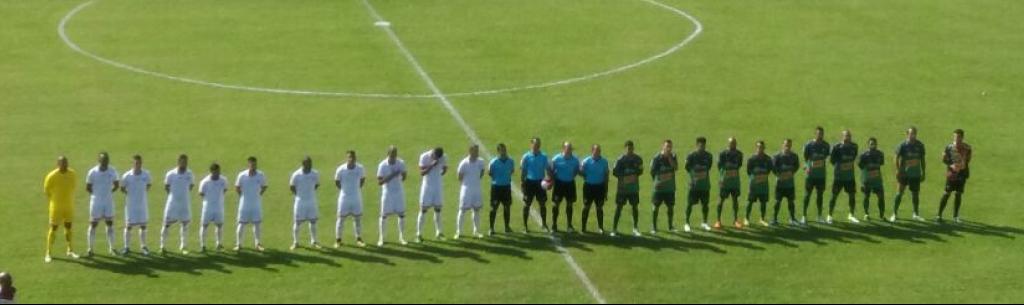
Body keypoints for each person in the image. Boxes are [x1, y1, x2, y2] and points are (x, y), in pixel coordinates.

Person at [44, 156, 79, 263]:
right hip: (56, 206)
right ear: (58, 164)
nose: (65, 165)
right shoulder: (52, 176)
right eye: (63, 163)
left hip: (68, 205)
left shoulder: (72, 174)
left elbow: (73, 186)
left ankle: (70, 250)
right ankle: (48, 253)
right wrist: (54, 200)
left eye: (66, 163)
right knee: (54, 228)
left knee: (68, 226)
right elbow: (46, 190)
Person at [85, 152, 118, 257]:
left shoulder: (112, 171)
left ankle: (111, 248)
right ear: (99, 160)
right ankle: (90, 248)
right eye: (103, 160)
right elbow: (88, 187)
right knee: (93, 224)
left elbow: (116, 184)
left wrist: (108, 193)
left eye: (107, 160)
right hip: (96, 202)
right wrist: (97, 194)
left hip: (108, 201)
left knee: (110, 224)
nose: (105, 162)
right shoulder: (92, 172)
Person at [161, 154, 194, 254]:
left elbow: (191, 186)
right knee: (166, 224)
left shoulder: (189, 174)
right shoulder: (171, 174)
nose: (184, 164)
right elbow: (166, 186)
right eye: (183, 161)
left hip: (184, 203)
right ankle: (162, 245)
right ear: (178, 162)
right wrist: (174, 196)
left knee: (185, 224)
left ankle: (183, 246)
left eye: (186, 162)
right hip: (172, 203)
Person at [937, 129, 972, 223]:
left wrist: (962, 166)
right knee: (946, 193)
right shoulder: (949, 147)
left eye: (958, 137)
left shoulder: (967, 148)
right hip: (951, 174)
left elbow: (968, 160)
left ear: (962, 137)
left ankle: (955, 216)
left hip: (962, 174)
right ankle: (939, 215)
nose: (956, 139)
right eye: (955, 137)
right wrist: (951, 165)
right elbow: (944, 159)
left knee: (958, 194)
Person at [892, 127, 926, 222]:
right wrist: (898, 170)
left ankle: (915, 214)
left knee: (915, 194)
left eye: (914, 134)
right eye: (911, 134)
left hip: (915, 174)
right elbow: (895, 158)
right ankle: (894, 213)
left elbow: (922, 159)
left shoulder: (920, 145)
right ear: (907, 134)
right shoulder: (902, 145)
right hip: (904, 174)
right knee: (899, 193)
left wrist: (923, 172)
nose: (913, 136)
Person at [234, 156, 268, 252]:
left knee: (257, 224)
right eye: (251, 164)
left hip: (256, 204)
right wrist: (243, 196)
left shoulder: (260, 175)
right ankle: (239, 244)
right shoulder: (242, 175)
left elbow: (264, 186)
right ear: (248, 164)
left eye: (255, 164)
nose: (253, 166)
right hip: (244, 203)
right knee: (241, 224)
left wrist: (258, 195)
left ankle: (257, 244)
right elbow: (237, 187)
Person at [121, 155, 152, 256]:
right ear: (133, 164)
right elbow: (122, 187)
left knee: (143, 226)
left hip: (142, 204)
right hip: (131, 205)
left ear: (141, 163)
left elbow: (148, 185)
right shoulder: (127, 176)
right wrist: (130, 195)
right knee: (129, 226)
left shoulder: (146, 174)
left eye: (139, 163)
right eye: (135, 163)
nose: (137, 165)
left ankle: (143, 246)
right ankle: (126, 247)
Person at [377, 146, 409, 247]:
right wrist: (392, 175)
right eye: (392, 155)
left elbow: (404, 176)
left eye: (395, 155)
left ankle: (402, 237)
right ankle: (382, 238)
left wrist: (401, 176)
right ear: (388, 154)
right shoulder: (382, 165)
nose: (394, 157)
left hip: (399, 192)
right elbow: (380, 182)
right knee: (384, 216)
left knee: (401, 215)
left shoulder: (401, 163)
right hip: (387, 193)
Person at [611, 140, 643, 237]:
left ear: (633, 148)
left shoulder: (638, 159)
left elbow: (640, 171)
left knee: (635, 207)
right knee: (619, 208)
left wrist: (634, 175)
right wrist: (625, 177)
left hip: (633, 188)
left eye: (631, 148)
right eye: (628, 148)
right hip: (622, 189)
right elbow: (615, 172)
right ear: (625, 149)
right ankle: (614, 229)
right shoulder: (620, 160)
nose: (630, 150)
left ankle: (635, 228)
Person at [335, 151, 367, 247]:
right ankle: (338, 240)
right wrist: (345, 190)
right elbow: (337, 182)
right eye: (349, 157)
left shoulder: (360, 168)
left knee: (357, 219)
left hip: (356, 197)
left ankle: (359, 238)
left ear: (355, 158)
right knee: (341, 219)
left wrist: (356, 189)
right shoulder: (341, 169)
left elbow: (362, 180)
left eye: (353, 157)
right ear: (347, 158)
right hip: (344, 198)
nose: (351, 159)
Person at [827, 130, 860, 224]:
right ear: (842, 137)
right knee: (834, 195)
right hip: (839, 177)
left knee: (852, 195)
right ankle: (829, 215)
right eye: (846, 136)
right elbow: (832, 161)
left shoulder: (854, 146)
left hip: (850, 177)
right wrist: (840, 167)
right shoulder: (837, 147)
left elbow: (854, 157)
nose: (847, 137)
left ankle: (851, 215)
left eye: (849, 136)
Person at [289, 156, 321, 250]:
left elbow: (316, 185)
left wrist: (309, 193)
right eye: (308, 163)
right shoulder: (296, 174)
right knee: (298, 222)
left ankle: (314, 241)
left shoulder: (315, 173)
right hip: (300, 202)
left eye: (311, 163)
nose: (310, 165)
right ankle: (295, 242)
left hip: (311, 201)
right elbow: (292, 186)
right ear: (303, 164)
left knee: (313, 221)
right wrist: (299, 195)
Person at [456, 144, 486, 239]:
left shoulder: (481, 162)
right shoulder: (464, 163)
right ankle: (459, 232)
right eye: (475, 151)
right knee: (463, 210)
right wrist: (467, 184)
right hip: (466, 189)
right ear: (470, 151)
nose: (477, 153)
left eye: (478, 151)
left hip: (477, 188)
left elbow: (482, 172)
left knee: (476, 210)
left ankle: (476, 231)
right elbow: (459, 177)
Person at [417, 147, 447, 243]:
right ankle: (419, 234)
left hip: (438, 187)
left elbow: (445, 168)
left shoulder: (443, 157)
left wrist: (439, 175)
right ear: (433, 152)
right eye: (436, 156)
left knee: (438, 209)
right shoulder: (424, 156)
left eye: (439, 158)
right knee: (423, 210)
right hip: (427, 187)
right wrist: (431, 165)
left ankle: (439, 232)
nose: (437, 159)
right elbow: (422, 172)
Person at [684, 137, 714, 232]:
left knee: (705, 204)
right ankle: (687, 223)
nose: (702, 147)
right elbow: (687, 168)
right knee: (690, 204)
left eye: (704, 145)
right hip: (694, 185)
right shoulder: (691, 156)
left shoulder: (709, 156)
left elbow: (708, 167)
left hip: (704, 185)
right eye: (700, 145)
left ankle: (704, 222)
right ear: (697, 145)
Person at [520, 137, 550, 233]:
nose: (537, 146)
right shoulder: (526, 157)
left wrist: (549, 181)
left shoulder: (544, 156)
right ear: (531, 144)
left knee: (542, 204)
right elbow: (523, 171)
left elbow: (548, 170)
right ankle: (525, 226)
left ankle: (544, 224)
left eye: (538, 144)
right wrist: (522, 183)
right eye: (535, 144)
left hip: (540, 183)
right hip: (529, 183)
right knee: (527, 204)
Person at [550, 142, 581, 233]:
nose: (569, 150)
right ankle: (554, 225)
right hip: (559, 184)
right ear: (563, 149)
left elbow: (576, 171)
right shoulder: (556, 159)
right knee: (556, 205)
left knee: (570, 204)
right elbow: (551, 170)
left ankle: (569, 225)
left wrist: (571, 176)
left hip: (570, 184)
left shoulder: (575, 160)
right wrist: (550, 180)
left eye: (571, 148)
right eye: (568, 148)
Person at [803, 127, 831, 224]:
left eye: (821, 133)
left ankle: (819, 216)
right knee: (807, 195)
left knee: (820, 195)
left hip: (821, 175)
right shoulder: (809, 145)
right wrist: (806, 167)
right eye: (818, 133)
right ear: (815, 134)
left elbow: (828, 157)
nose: (820, 135)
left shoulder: (826, 145)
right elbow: (806, 158)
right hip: (810, 176)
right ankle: (804, 216)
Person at [198, 162, 228, 252]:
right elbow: (201, 193)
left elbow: (225, 189)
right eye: (216, 172)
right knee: (204, 225)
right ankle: (203, 245)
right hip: (208, 207)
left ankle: (218, 243)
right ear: (211, 171)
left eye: (219, 171)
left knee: (219, 225)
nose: (218, 173)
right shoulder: (205, 182)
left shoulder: (223, 180)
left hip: (219, 207)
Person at [580, 144, 610, 234]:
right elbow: (580, 170)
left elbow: (606, 176)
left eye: (599, 150)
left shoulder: (604, 162)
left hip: (600, 187)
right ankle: (583, 227)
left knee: (599, 207)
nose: (598, 152)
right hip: (589, 187)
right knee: (586, 207)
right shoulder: (586, 161)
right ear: (592, 151)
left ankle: (600, 227)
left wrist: (606, 190)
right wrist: (585, 176)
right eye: (596, 150)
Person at [650, 140, 679, 234]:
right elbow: (652, 172)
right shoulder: (657, 158)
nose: (669, 148)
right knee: (655, 207)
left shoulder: (673, 156)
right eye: (667, 146)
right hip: (659, 188)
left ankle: (670, 226)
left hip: (670, 188)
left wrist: (670, 159)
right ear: (662, 147)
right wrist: (657, 182)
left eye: (670, 147)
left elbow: (676, 168)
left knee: (670, 207)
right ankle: (654, 227)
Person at [716, 138, 743, 229]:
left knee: (735, 200)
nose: (733, 145)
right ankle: (718, 220)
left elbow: (739, 165)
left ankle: (735, 220)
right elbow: (719, 167)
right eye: (731, 143)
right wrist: (721, 179)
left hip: (734, 181)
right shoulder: (723, 154)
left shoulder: (739, 154)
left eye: (734, 143)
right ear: (728, 144)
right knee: (721, 200)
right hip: (725, 181)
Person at [487, 143, 515, 235]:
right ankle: (491, 228)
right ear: (498, 151)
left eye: (504, 149)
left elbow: (511, 171)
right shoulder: (493, 162)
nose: (504, 151)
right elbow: (490, 173)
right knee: (493, 208)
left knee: (507, 207)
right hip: (496, 188)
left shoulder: (510, 161)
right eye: (502, 150)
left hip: (506, 187)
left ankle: (507, 227)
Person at [745, 141, 773, 227]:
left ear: (764, 148)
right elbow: (749, 171)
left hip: (764, 184)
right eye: (759, 147)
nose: (760, 149)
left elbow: (769, 170)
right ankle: (746, 218)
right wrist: (756, 178)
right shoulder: (752, 159)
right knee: (750, 201)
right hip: (754, 184)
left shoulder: (768, 159)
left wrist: (762, 177)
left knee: (763, 202)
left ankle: (762, 219)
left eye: (762, 147)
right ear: (756, 148)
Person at [773, 139, 800, 226]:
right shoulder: (777, 156)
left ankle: (792, 218)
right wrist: (778, 175)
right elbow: (773, 168)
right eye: (786, 145)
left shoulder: (794, 156)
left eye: (789, 145)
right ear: (782, 145)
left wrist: (792, 173)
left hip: (790, 184)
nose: (787, 147)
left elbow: (797, 166)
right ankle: (774, 219)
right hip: (780, 184)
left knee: (791, 202)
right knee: (777, 202)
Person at [858, 138, 886, 221]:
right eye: (871, 144)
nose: (873, 145)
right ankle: (866, 214)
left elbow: (881, 163)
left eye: (874, 143)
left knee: (881, 196)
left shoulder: (880, 154)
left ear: (876, 144)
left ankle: (881, 215)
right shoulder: (864, 155)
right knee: (866, 196)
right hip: (867, 180)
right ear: (868, 145)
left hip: (877, 180)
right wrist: (863, 181)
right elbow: (861, 167)